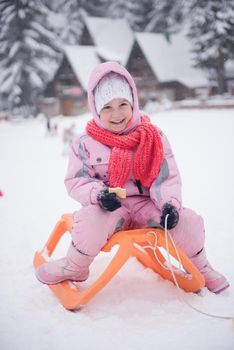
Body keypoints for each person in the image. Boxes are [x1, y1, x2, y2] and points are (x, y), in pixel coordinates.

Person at [36, 61, 229, 294]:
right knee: (88, 219)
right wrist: (99, 195)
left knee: (188, 221)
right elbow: (76, 181)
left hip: (147, 205)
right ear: (96, 109)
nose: (116, 114)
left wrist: (170, 204)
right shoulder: (84, 143)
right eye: (107, 107)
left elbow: (166, 177)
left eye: (122, 104)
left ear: (133, 103)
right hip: (110, 208)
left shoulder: (153, 136)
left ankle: (202, 267)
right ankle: (75, 266)